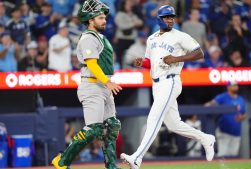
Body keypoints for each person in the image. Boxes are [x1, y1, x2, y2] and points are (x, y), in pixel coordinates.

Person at [120, 5, 215, 169]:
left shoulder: (180, 36)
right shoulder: (151, 39)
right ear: (159, 19)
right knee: (174, 125)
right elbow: (152, 63)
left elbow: (199, 53)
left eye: (172, 17)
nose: (170, 19)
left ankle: (137, 158)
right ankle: (206, 138)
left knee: (153, 119)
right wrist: (142, 63)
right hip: (156, 84)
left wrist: (177, 58)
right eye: (167, 17)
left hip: (170, 81)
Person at [51, 1, 122, 169]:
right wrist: (107, 81)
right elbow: (92, 64)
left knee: (111, 127)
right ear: (91, 20)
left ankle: (112, 166)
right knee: (93, 129)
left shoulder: (101, 37)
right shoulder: (88, 38)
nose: (104, 20)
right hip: (92, 86)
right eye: (100, 17)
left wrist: (106, 83)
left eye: (104, 17)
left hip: (103, 87)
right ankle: (62, 161)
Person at [205, 81, 246, 157]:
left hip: (236, 132)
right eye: (234, 85)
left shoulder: (241, 99)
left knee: (233, 156)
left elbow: (244, 114)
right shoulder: (223, 97)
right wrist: (206, 106)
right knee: (223, 155)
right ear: (228, 87)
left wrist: (241, 117)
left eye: (236, 85)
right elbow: (210, 104)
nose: (236, 87)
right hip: (224, 132)